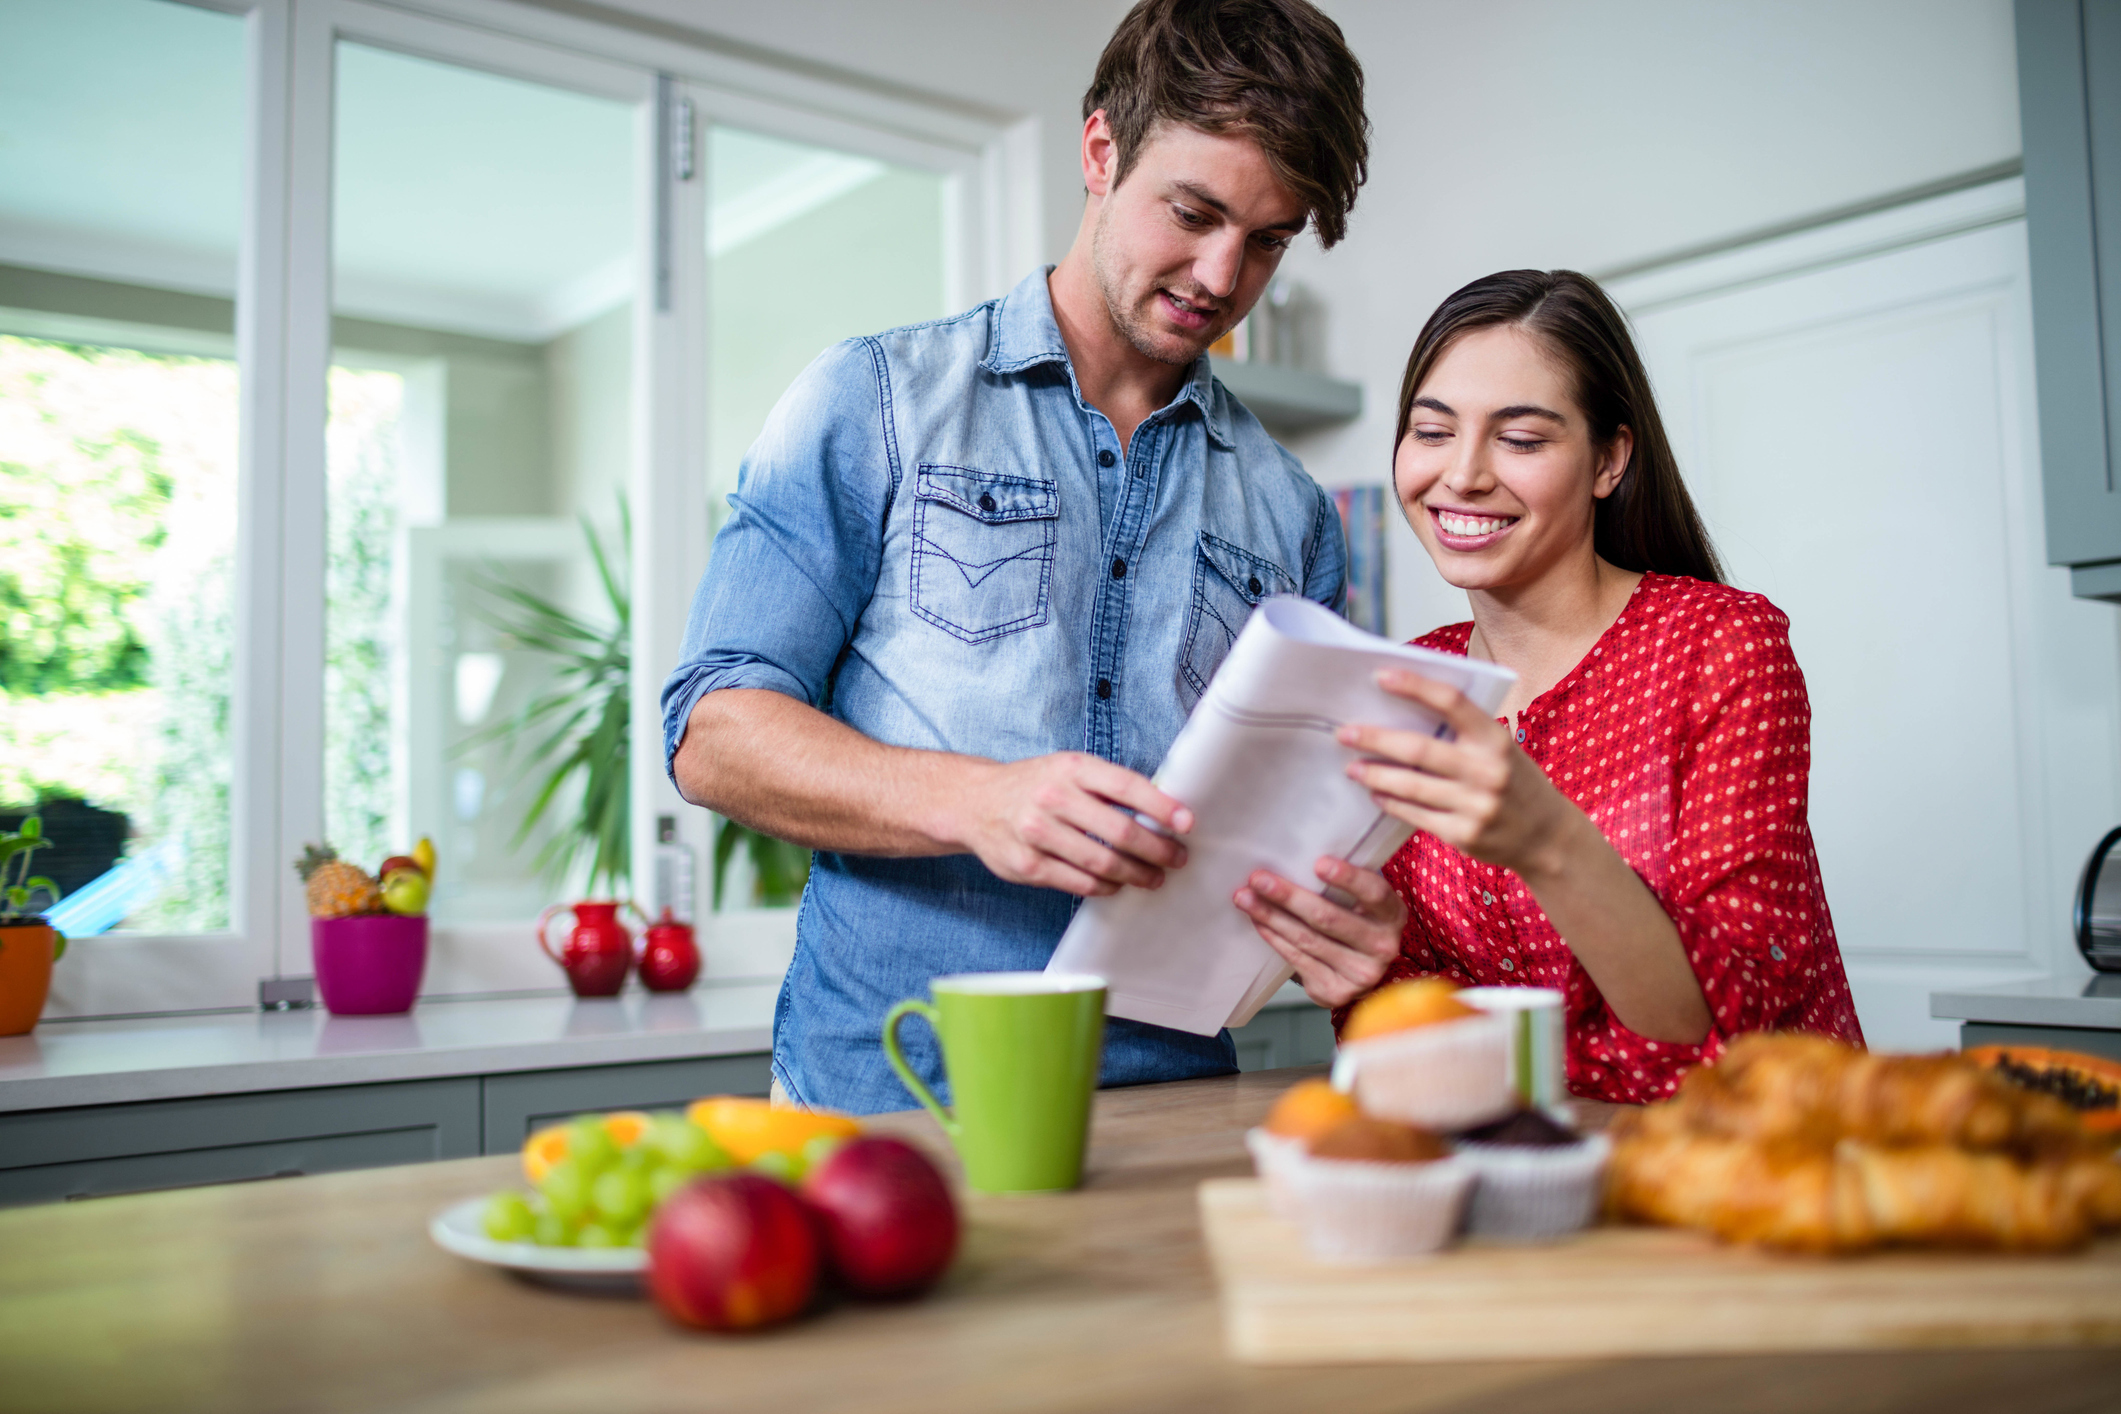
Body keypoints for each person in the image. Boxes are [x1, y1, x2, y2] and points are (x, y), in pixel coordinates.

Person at [661, 0, 1370, 1114]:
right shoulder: (877, 400)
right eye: (1193, 211)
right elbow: (714, 733)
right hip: (890, 1092)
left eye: (1269, 239)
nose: (1222, 275)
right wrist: (976, 803)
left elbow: (1299, 833)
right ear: (1101, 150)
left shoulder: (1293, 512)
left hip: (1173, 1103)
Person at [1233, 269, 1863, 1103]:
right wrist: (1372, 965)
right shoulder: (1407, 684)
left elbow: (1735, 1025)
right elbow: (1404, 1035)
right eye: (1430, 431)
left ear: (1608, 460)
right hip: (1525, 1174)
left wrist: (1549, 844)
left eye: (1520, 440)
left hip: (1749, 1170)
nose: (1460, 475)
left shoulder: (1722, 644)